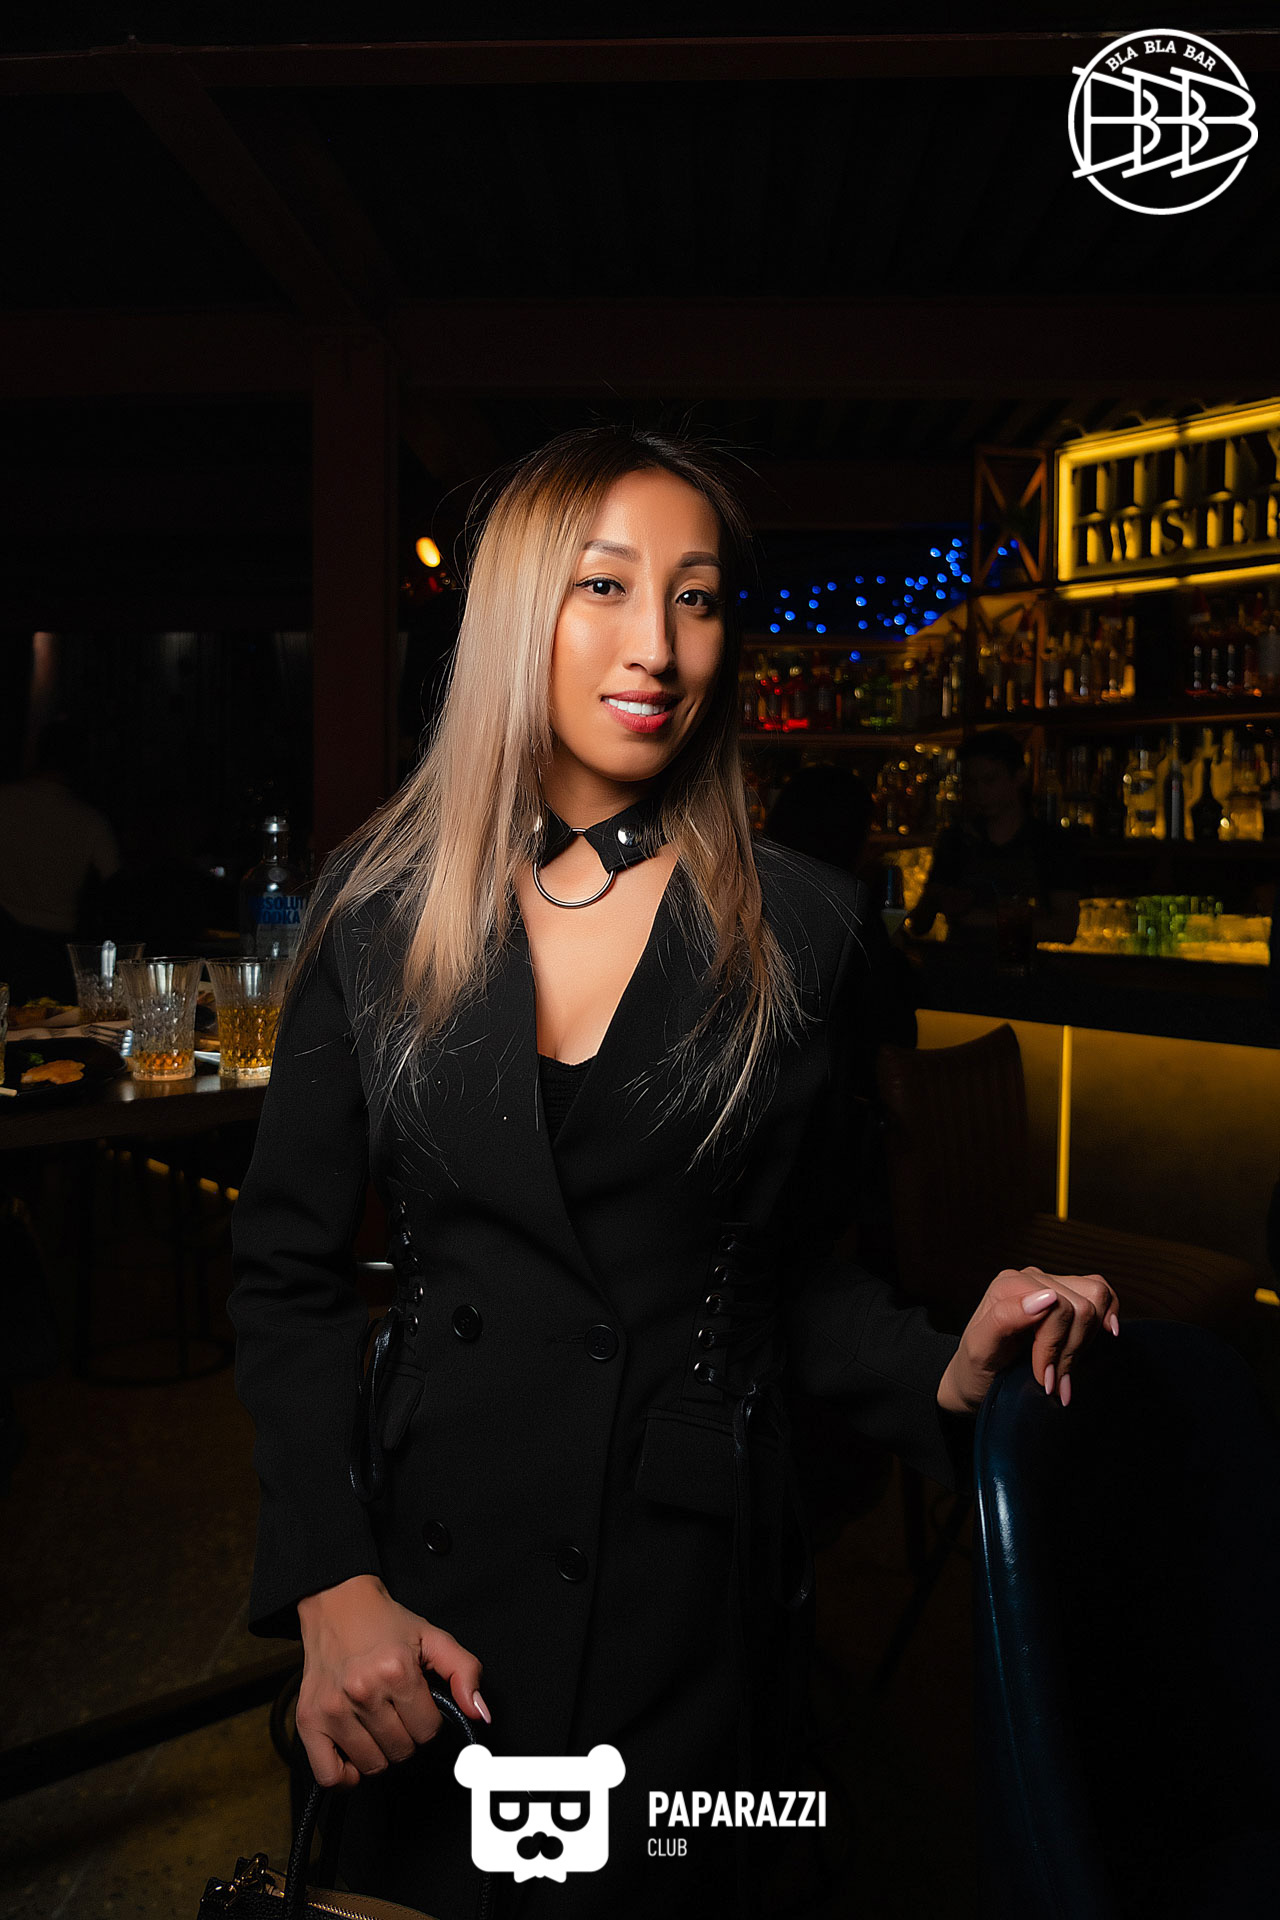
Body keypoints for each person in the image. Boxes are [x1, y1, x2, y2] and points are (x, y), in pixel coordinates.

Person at [227, 427, 1120, 1920]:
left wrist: (951, 1368)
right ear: (519, 614)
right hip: (422, 1593)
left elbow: (798, 1284)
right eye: (605, 586)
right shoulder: (377, 908)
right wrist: (333, 1584)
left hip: (687, 1595)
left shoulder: (807, 929)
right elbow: (283, 1277)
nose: (657, 643)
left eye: (695, 597)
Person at [907, 728, 1081, 953]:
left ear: (1019, 776)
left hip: (1020, 969)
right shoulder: (956, 839)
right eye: (971, 782)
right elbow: (919, 925)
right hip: (960, 968)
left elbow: (1065, 929)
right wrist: (936, 899)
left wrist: (980, 918)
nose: (979, 792)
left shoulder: (1050, 843)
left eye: (989, 781)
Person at [0, 718, 120, 1001]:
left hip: (10, 937)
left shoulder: (5, 800)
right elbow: (115, 882)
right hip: (57, 947)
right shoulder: (88, 819)